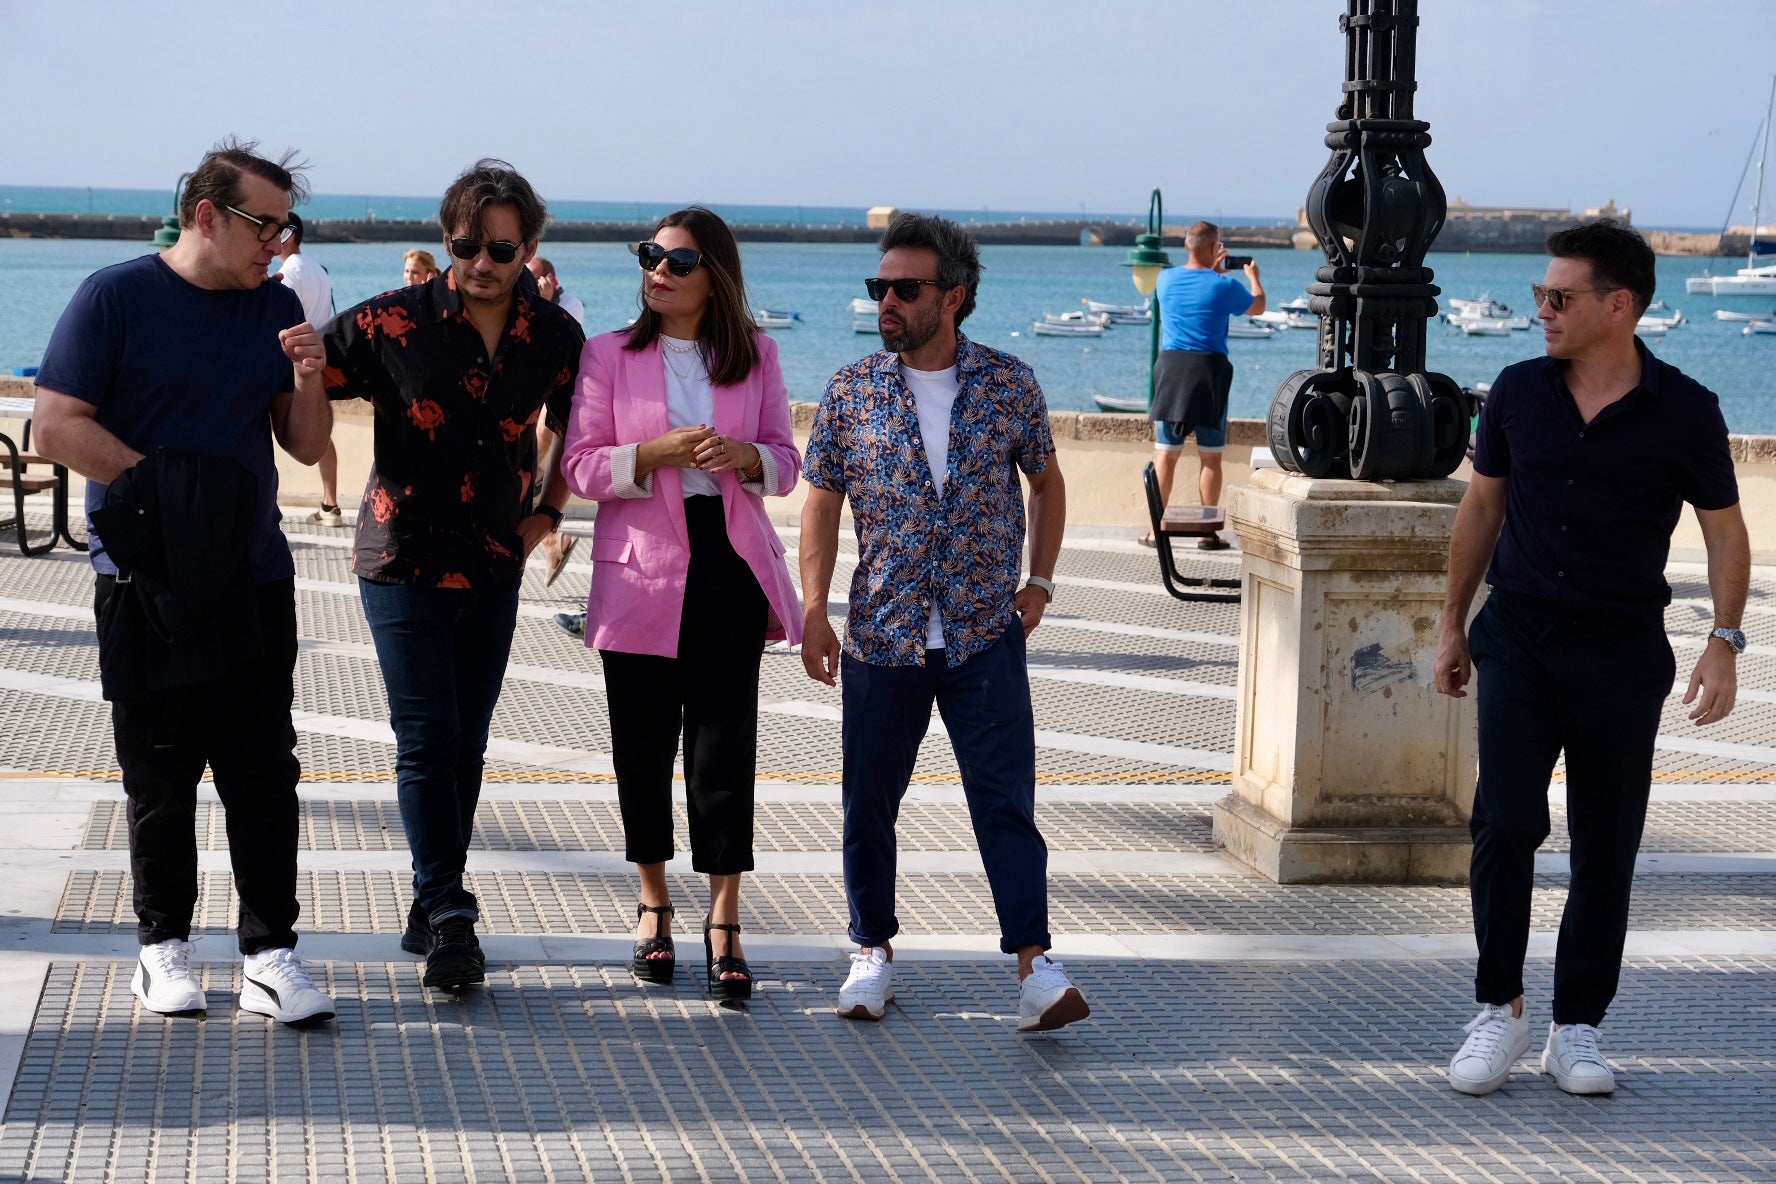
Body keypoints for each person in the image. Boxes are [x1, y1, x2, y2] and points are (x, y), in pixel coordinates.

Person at [1435, 219, 1749, 1097]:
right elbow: (1481, 511)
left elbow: (1724, 532)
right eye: (1540, 294)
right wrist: (1452, 622)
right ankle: (1498, 1007)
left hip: (1620, 651)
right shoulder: (1517, 392)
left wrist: (1723, 642)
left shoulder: (1686, 410)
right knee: (1503, 821)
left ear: (1620, 307)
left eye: (1559, 297)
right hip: (1520, 640)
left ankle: (1577, 1026)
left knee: (1605, 844)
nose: (1542, 309)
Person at [31, 137, 336, 1026]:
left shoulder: (272, 306)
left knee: (262, 771)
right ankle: (163, 950)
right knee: (159, 773)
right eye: (263, 225)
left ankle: (271, 956)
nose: (277, 246)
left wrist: (310, 374)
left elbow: (308, 445)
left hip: (252, 576)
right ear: (208, 214)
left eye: (287, 228)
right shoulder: (114, 296)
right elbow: (55, 426)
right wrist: (168, 494)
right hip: (143, 576)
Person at [799, 212, 1089, 1033]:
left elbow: (1049, 484)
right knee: (869, 804)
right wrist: (814, 610)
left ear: (953, 297)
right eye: (879, 287)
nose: (885, 301)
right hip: (882, 636)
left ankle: (1036, 967)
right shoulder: (853, 390)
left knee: (1005, 802)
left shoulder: (1009, 384)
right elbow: (820, 503)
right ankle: (870, 951)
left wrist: (1040, 583)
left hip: (982, 634)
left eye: (905, 288)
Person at [319, 159, 585, 992]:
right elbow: (294, 379)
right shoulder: (389, 322)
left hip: (495, 560)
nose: (481, 263)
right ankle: (452, 913)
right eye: (465, 244)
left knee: (466, 741)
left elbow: (579, 430)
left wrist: (548, 513)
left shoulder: (553, 336)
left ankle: (428, 897)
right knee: (428, 736)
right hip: (398, 560)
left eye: (500, 249)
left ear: (528, 248)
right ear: (446, 241)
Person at [561, 207, 802, 1000]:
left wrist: (746, 457)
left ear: (715, 277)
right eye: (649, 257)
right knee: (641, 743)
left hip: (728, 560)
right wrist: (654, 453)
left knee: (722, 748)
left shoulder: (756, 354)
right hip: (639, 565)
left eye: (677, 262)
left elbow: (788, 463)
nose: (657, 272)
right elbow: (582, 471)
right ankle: (654, 905)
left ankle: (725, 920)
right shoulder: (606, 355)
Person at [1144, 220, 1265, 549]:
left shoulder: (1164, 280)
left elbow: (1196, 286)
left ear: (1186, 246)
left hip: (1171, 369)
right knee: (1210, 458)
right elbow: (1258, 306)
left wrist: (1212, 270)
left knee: (1165, 456)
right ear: (1215, 249)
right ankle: (1206, 533)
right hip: (1209, 370)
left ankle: (1156, 532)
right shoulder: (1223, 287)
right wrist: (1253, 278)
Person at [270, 214, 345, 529]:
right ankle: (330, 502)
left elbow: (272, 315)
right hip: (318, 359)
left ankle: (263, 503)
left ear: (289, 235)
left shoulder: (287, 273)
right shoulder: (319, 270)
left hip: (289, 361)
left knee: (265, 431)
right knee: (322, 435)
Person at [528, 256, 586, 584]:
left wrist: (544, 300)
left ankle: (550, 537)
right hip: (539, 403)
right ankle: (552, 541)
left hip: (556, 405)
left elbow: (548, 343)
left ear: (551, 278)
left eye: (535, 280)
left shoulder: (569, 305)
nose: (529, 287)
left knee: (534, 470)